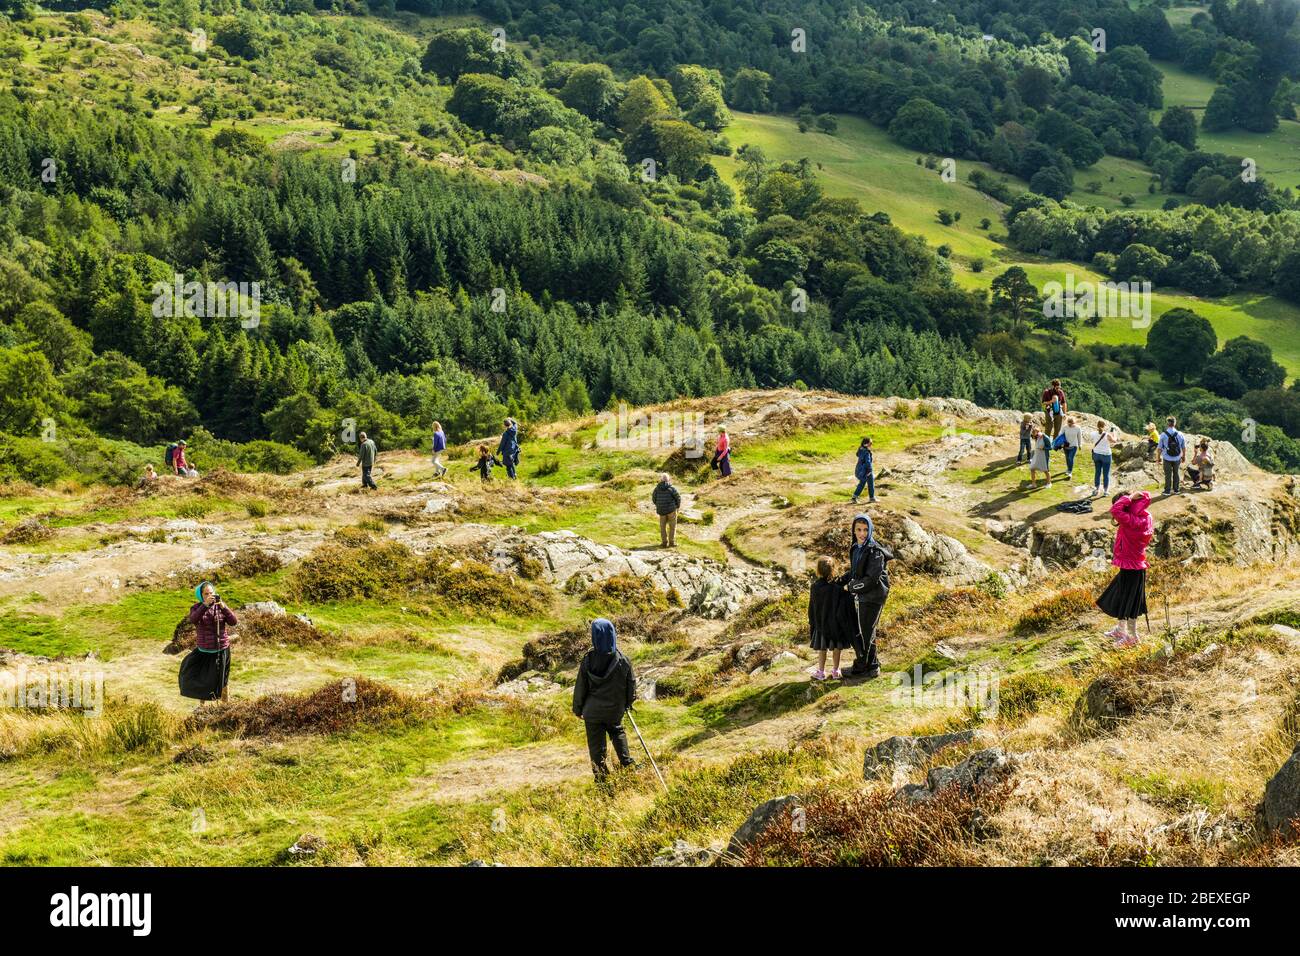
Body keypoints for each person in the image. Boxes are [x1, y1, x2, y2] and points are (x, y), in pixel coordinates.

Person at [572, 618, 637, 783]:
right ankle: (627, 764)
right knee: (617, 731)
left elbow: (581, 687)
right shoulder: (623, 660)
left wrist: (578, 709)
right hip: (615, 709)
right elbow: (631, 685)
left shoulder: (588, 660)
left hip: (592, 712)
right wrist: (628, 703)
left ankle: (601, 778)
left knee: (596, 745)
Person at [1096, 491, 1152, 649]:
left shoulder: (1131, 521)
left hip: (1131, 564)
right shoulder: (1145, 517)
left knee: (1130, 603)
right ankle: (1121, 630)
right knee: (1123, 598)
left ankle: (1132, 637)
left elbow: (1115, 510)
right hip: (1134, 564)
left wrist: (1128, 498)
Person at [839, 513, 892, 678]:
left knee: (867, 631)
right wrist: (839, 581)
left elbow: (871, 579)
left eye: (865, 530)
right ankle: (869, 665)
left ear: (870, 530)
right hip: (863, 595)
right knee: (865, 631)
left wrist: (852, 587)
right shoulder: (856, 548)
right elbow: (856, 571)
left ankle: (869, 667)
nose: (862, 533)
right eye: (858, 530)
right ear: (853, 531)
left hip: (875, 595)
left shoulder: (875, 552)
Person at [181, 581, 237, 703]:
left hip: (222, 649)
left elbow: (233, 621)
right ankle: (202, 708)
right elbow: (194, 619)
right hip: (205, 650)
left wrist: (224, 606)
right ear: (201, 595)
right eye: (206, 594)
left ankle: (225, 706)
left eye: (211, 593)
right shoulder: (196, 608)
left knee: (223, 680)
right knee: (203, 680)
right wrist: (205, 605)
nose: (209, 596)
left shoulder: (220, 606)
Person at [808, 555, 854, 680]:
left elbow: (812, 607)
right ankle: (836, 671)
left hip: (821, 624)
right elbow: (844, 602)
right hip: (835, 625)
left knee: (822, 650)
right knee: (836, 648)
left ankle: (821, 672)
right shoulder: (837, 588)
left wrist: (812, 622)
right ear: (833, 570)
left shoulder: (815, 587)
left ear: (818, 570)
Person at [1088, 418, 1118, 498]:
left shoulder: (1093, 433)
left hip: (1096, 454)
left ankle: (1096, 489)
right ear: (1104, 426)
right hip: (1106, 455)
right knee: (1106, 473)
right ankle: (1105, 491)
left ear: (1097, 426)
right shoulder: (1107, 434)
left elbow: (1093, 439)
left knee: (1097, 472)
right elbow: (1114, 441)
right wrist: (1114, 433)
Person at [1158, 416, 1186, 496]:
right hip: (1177, 457)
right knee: (1176, 473)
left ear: (1168, 423)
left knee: (1168, 474)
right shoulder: (1180, 434)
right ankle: (1176, 490)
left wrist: (1158, 458)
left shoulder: (1163, 435)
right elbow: (1183, 447)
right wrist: (1183, 456)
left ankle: (1167, 491)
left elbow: (1159, 448)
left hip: (1167, 457)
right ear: (1175, 423)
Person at [652, 472, 681, 547]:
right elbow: (678, 498)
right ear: (668, 480)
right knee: (672, 526)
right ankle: (671, 542)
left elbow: (654, 499)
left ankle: (664, 542)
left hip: (661, 510)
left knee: (662, 526)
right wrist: (677, 506)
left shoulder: (656, 489)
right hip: (671, 510)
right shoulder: (672, 488)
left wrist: (659, 505)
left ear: (661, 480)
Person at [1057, 415, 1083, 480]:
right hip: (1066, 446)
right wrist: (1060, 443)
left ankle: (1070, 472)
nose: (1070, 425)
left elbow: (1079, 437)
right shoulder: (1065, 427)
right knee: (1067, 458)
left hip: (1074, 446)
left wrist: (1080, 445)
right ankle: (1068, 468)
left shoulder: (1078, 428)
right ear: (1067, 422)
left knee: (1070, 458)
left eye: (1071, 424)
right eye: (1069, 423)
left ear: (1074, 423)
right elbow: (1060, 434)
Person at [852, 437, 876, 503]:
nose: (871, 445)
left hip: (860, 469)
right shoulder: (866, 452)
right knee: (870, 483)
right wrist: (869, 471)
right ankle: (872, 498)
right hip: (866, 470)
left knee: (863, 483)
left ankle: (854, 497)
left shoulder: (860, 449)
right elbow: (868, 462)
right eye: (870, 443)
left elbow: (858, 455)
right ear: (866, 444)